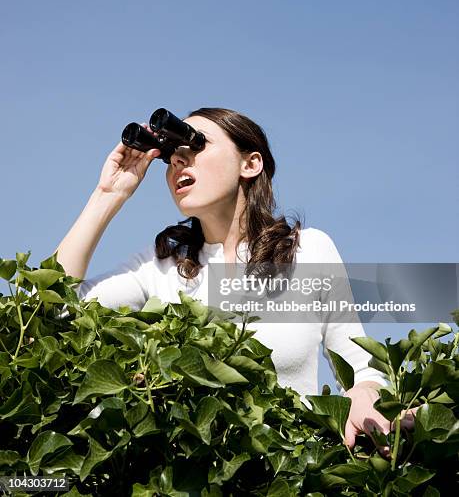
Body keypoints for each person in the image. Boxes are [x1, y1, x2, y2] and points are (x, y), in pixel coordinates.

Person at [55, 107, 412, 455]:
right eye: (170, 157)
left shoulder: (308, 250)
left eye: (196, 145)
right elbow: (51, 311)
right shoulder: (159, 267)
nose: (179, 161)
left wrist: (364, 391)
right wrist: (107, 195)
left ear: (250, 164)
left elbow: (361, 365)